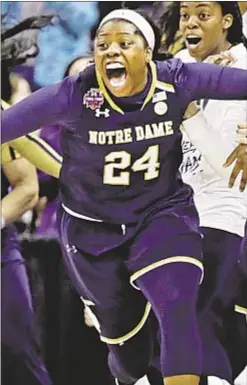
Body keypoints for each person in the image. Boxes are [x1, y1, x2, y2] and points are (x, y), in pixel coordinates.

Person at [2, 8, 247, 385]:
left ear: (147, 52)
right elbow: (8, 125)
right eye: (102, 45)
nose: (111, 52)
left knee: (178, 301)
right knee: (128, 353)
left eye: (124, 43)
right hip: (92, 231)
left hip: (161, 215)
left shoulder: (177, 79)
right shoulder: (76, 92)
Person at [165, 2, 247, 383]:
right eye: (184, 14)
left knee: (201, 315)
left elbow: (231, 170)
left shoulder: (243, 66)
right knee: (162, 326)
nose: (190, 23)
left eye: (203, 13)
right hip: (171, 212)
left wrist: (189, 113)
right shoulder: (175, 66)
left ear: (227, 21)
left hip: (222, 209)